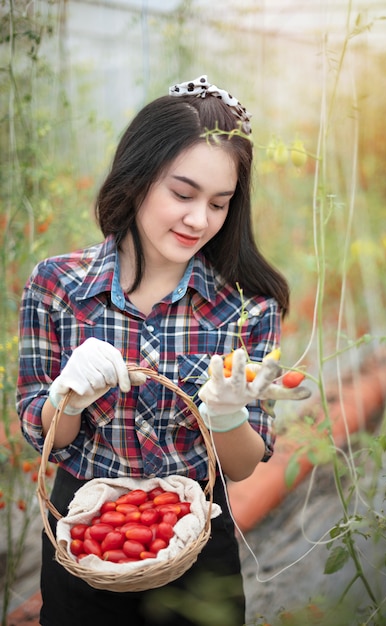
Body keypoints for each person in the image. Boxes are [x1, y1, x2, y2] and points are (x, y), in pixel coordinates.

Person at [16, 75, 290, 626]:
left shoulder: (248, 309)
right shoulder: (57, 287)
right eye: (182, 194)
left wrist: (226, 410)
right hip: (85, 533)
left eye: (219, 203)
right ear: (139, 178)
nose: (198, 220)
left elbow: (239, 467)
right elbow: (40, 433)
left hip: (197, 539)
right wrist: (66, 398)